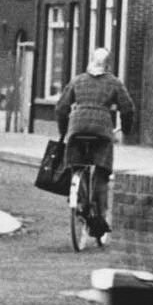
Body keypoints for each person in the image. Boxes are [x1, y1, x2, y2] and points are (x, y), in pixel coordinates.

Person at [57, 49, 138, 242]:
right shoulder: (114, 82)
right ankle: (98, 216)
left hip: (77, 129)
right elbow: (128, 108)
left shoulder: (77, 81)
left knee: (76, 164)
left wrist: (63, 131)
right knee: (101, 171)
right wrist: (126, 129)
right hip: (102, 131)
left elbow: (61, 107)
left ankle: (79, 198)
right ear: (107, 65)